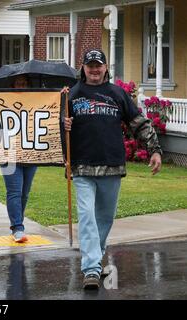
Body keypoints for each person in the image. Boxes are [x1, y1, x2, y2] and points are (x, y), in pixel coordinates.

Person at [63, 49, 162, 290]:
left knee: (104, 220)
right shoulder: (71, 96)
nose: (94, 70)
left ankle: (95, 255)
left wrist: (155, 150)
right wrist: (62, 123)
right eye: (90, 66)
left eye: (99, 65)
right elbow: (57, 132)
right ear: (83, 68)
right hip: (82, 167)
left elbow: (139, 123)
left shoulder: (117, 94)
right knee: (87, 218)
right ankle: (92, 270)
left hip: (112, 167)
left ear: (106, 67)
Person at [0, 74, 38, 243]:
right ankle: (17, 228)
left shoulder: (36, 103)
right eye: (18, 84)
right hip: (8, 154)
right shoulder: (3, 102)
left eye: (24, 83)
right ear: (13, 85)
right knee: (14, 192)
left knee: (25, 193)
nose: (21, 86)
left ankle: (17, 223)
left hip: (31, 154)